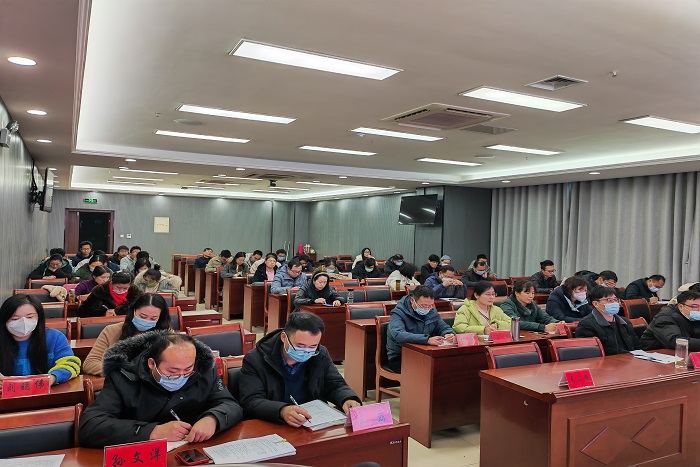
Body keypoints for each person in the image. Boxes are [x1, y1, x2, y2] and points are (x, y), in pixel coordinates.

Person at [78, 332, 243, 448]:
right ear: (151, 364)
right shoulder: (122, 377)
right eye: (172, 371)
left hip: (191, 451)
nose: (181, 376)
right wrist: (153, 431)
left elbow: (230, 404)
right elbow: (91, 427)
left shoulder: (204, 370)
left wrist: (213, 418)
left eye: (187, 369)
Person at [239, 312, 361, 427]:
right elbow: (251, 401)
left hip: (313, 421)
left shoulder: (320, 354)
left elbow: (335, 383)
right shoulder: (255, 359)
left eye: (312, 346)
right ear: (284, 337)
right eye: (300, 346)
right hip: (274, 424)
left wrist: (347, 398)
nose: (306, 351)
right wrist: (282, 410)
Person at [0, 295, 81, 390]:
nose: (23, 322)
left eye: (30, 317)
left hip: (47, 394)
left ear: (39, 317)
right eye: (15, 319)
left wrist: (52, 378)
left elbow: (71, 364)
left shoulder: (55, 337)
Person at [83, 293, 173, 376]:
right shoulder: (111, 331)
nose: (147, 321)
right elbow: (90, 363)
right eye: (143, 316)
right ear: (133, 311)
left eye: (153, 318)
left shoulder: (167, 333)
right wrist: (124, 372)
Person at [385, 286, 455, 372]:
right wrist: (427, 340)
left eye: (430, 306)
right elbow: (398, 334)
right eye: (424, 305)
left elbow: (443, 327)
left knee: (448, 366)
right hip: (401, 357)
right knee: (430, 371)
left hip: (424, 353)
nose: (427, 309)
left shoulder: (431, 311)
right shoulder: (398, 313)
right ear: (412, 301)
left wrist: (448, 333)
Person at [575, 286, 641, 355]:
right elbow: (593, 352)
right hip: (609, 360)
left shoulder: (625, 322)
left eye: (615, 300)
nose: (614, 303)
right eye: (609, 300)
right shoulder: (586, 325)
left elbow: (637, 345)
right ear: (596, 304)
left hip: (630, 358)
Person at [78, 271, 143, 317]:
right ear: (112, 283)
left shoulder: (135, 292)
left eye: (125, 288)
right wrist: (103, 313)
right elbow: (82, 311)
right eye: (118, 287)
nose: (121, 290)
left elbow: (141, 309)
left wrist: (118, 311)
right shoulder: (100, 291)